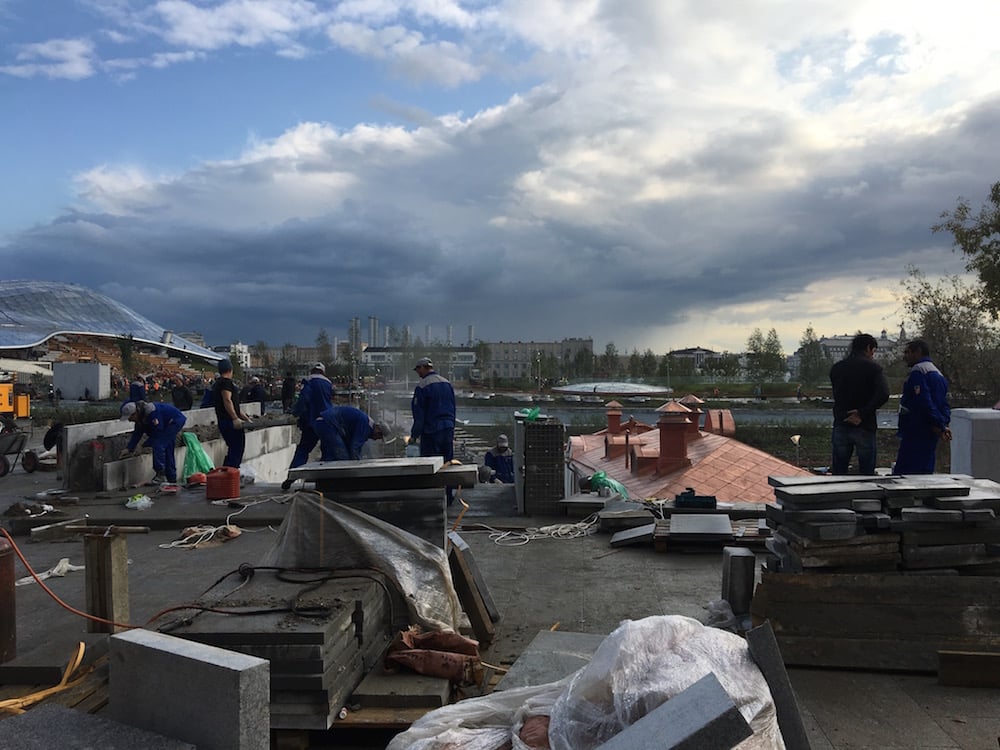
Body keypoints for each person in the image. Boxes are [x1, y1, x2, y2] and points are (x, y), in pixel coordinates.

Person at [829, 333, 890, 475]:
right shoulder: (873, 368)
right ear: (868, 348)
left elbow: (837, 395)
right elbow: (883, 394)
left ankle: (838, 495)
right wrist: (862, 413)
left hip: (841, 422)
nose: (872, 355)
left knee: (839, 469)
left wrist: (845, 414)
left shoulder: (837, 368)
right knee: (867, 471)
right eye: (873, 351)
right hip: (865, 425)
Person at [893, 340, 951, 475]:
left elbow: (923, 402)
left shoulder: (918, 373)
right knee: (925, 472)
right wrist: (942, 424)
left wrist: (938, 424)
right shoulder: (938, 374)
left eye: (907, 352)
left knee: (905, 474)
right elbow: (943, 403)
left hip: (917, 429)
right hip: (932, 431)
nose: (904, 356)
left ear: (917, 352)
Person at [410, 356, 456, 502]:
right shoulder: (447, 383)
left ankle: (433, 498)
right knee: (447, 464)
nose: (418, 373)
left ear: (423, 367)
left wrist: (414, 436)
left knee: (431, 466)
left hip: (431, 432)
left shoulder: (422, 386)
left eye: (418, 370)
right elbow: (453, 408)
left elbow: (419, 415)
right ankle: (448, 496)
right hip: (448, 429)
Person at [281, 362, 333, 490]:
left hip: (312, 422)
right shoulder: (328, 383)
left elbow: (304, 399)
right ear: (323, 372)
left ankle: (292, 477)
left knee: (303, 450)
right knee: (327, 451)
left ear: (312, 371)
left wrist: (295, 412)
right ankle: (325, 481)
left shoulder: (309, 381)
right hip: (327, 420)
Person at [119, 400, 187, 485]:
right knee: (167, 447)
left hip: (174, 421)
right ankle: (172, 480)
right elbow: (137, 433)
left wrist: (148, 443)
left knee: (159, 444)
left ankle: (160, 474)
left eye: (130, 418)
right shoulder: (141, 417)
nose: (129, 420)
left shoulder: (152, 413)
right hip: (167, 424)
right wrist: (129, 449)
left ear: (135, 413)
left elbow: (158, 432)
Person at [212, 359, 251, 469]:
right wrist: (234, 418)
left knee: (233, 448)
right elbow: (227, 400)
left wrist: (245, 418)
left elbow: (235, 406)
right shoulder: (226, 383)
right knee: (237, 448)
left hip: (223, 420)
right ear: (230, 370)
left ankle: (228, 472)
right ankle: (230, 473)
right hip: (229, 421)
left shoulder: (217, 384)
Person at [314, 405, 386, 461]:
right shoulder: (366, 426)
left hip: (323, 422)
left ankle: (324, 478)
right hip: (328, 425)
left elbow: (351, 444)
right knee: (343, 458)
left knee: (329, 456)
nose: (376, 439)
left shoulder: (366, 423)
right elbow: (354, 447)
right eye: (379, 437)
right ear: (378, 430)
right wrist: (357, 465)